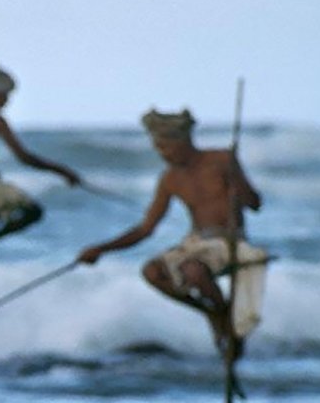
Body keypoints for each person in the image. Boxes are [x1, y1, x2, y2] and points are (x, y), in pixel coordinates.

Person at [77, 109, 266, 360]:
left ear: (184, 142)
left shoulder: (221, 159)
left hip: (229, 240)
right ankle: (214, 313)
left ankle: (225, 322)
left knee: (193, 271)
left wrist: (235, 180)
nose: (162, 154)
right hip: (196, 242)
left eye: (166, 147)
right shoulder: (170, 179)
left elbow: (254, 203)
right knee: (152, 272)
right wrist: (101, 249)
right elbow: (146, 229)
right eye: (158, 148)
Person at [0, 63, 81, 266]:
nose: (7, 101)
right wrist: (62, 171)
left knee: (2, 207)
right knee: (32, 212)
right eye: (5, 95)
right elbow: (24, 158)